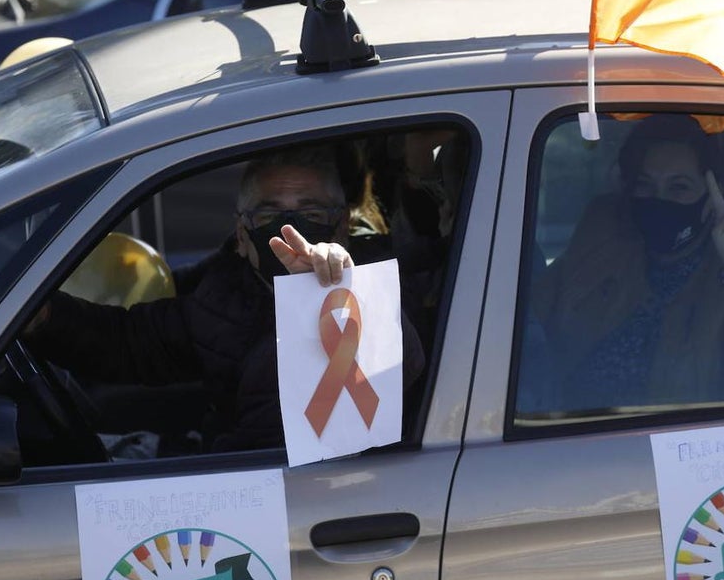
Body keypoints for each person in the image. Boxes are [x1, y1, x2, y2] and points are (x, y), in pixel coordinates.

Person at [24, 145, 425, 453]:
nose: (291, 231)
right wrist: (45, 318)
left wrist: (344, 293)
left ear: (340, 229)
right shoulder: (225, 289)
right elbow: (134, 342)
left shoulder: (377, 284)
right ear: (241, 235)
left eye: (312, 212)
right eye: (269, 214)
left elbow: (401, 370)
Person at [524, 115, 724, 412]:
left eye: (679, 187)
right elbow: (532, 318)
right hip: (555, 423)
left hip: (663, 442)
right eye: (645, 185)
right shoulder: (607, 231)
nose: (658, 200)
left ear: (710, 197)